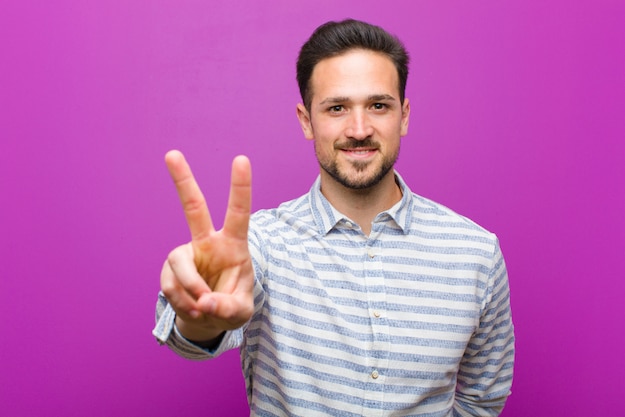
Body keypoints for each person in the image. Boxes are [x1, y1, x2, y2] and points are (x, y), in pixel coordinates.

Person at [153, 19, 514, 416]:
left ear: (404, 116)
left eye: (378, 106)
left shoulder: (476, 252)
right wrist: (199, 317)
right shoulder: (262, 244)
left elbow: (481, 399)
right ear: (307, 120)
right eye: (337, 108)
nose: (359, 130)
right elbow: (188, 334)